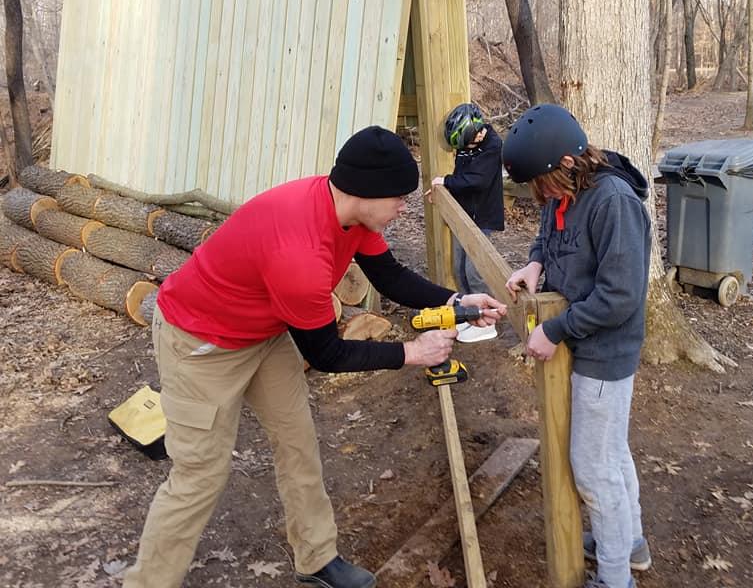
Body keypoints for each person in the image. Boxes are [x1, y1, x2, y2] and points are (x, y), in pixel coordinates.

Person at [123, 126, 507, 588]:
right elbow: (327, 353)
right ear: (367, 192)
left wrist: (457, 302)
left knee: (298, 443)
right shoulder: (299, 254)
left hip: (263, 333)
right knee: (200, 475)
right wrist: (411, 352)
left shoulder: (349, 216)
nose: (404, 207)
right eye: (399, 198)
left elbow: (389, 276)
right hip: (200, 344)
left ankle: (316, 557)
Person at [502, 104, 653, 588]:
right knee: (611, 453)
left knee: (591, 468)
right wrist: (534, 264)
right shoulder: (561, 194)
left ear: (567, 164)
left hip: (605, 352)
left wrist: (555, 329)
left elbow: (620, 295)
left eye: (543, 186)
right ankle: (629, 543)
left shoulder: (613, 203)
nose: (540, 197)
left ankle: (614, 579)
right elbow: (549, 238)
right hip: (583, 343)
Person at [430, 102, 504, 343]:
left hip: (482, 218)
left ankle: (488, 320)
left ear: (479, 131)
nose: (466, 149)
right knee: (458, 268)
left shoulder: (492, 146)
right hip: (463, 215)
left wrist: (447, 182)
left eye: (469, 144)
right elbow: (462, 177)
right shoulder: (466, 145)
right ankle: (469, 315)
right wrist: (444, 192)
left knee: (475, 271)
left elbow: (477, 180)